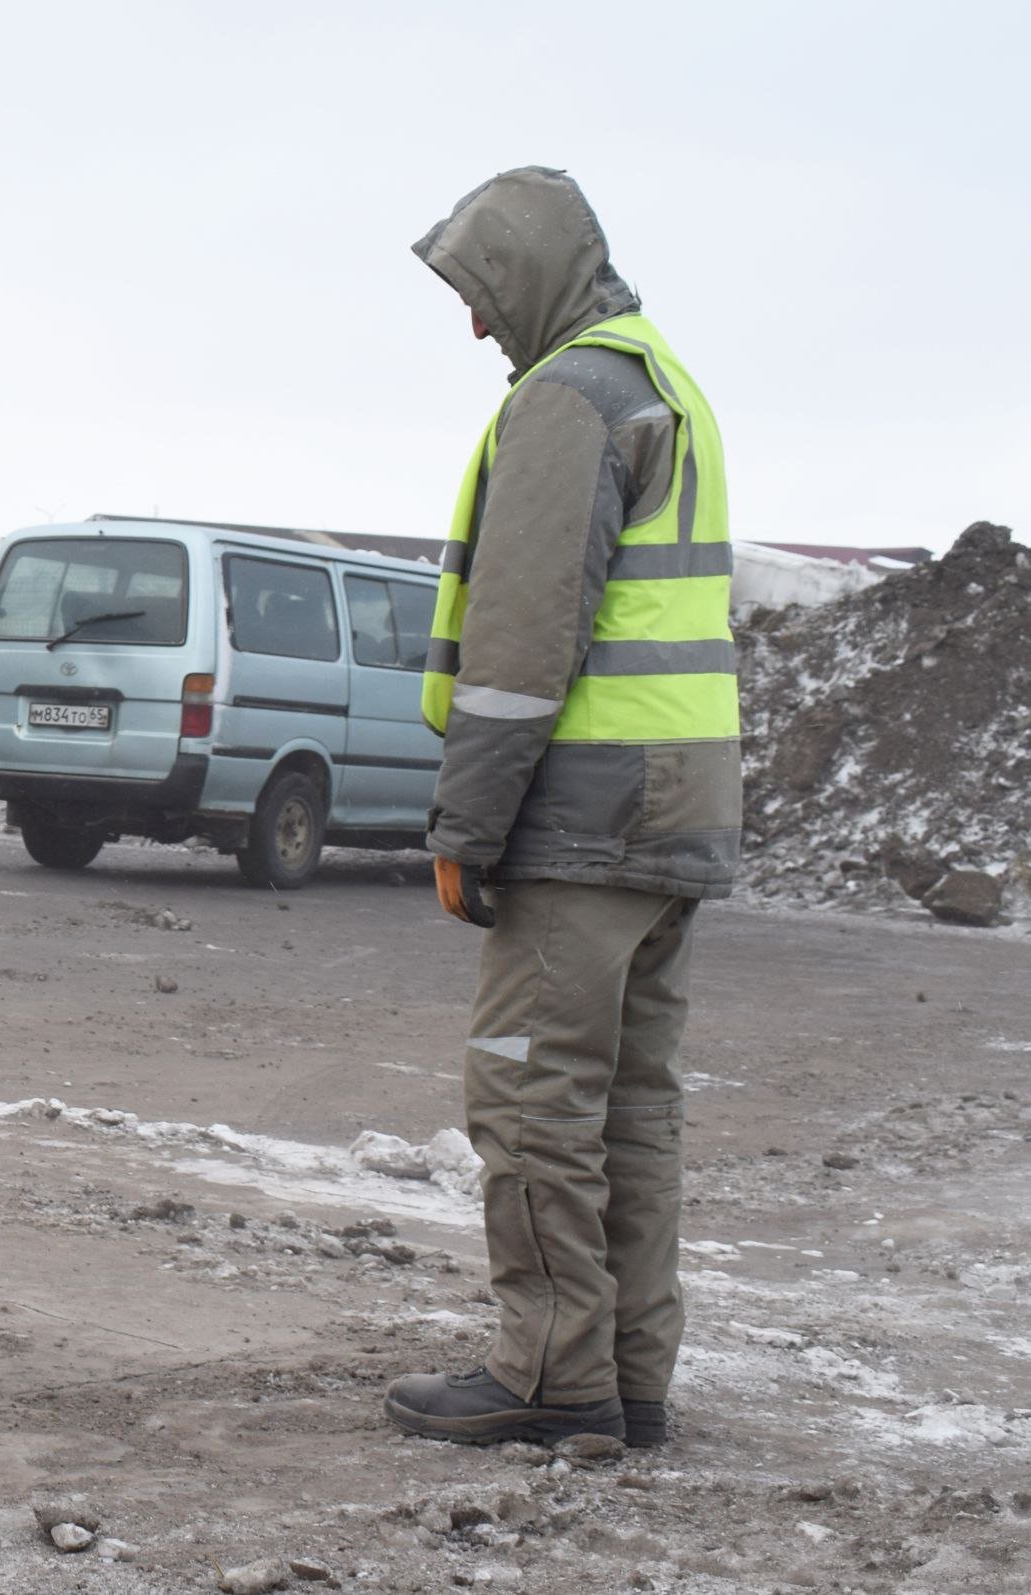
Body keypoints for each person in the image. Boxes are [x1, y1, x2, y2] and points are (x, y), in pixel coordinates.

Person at [384, 167, 739, 1447]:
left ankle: (546, 1373)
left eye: (482, 295)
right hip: (670, 815)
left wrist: (466, 827)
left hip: (581, 820)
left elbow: (522, 642)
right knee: (631, 1107)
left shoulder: (567, 399)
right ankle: (628, 1376)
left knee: (533, 1096)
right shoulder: (658, 381)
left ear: (529, 279)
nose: (475, 326)